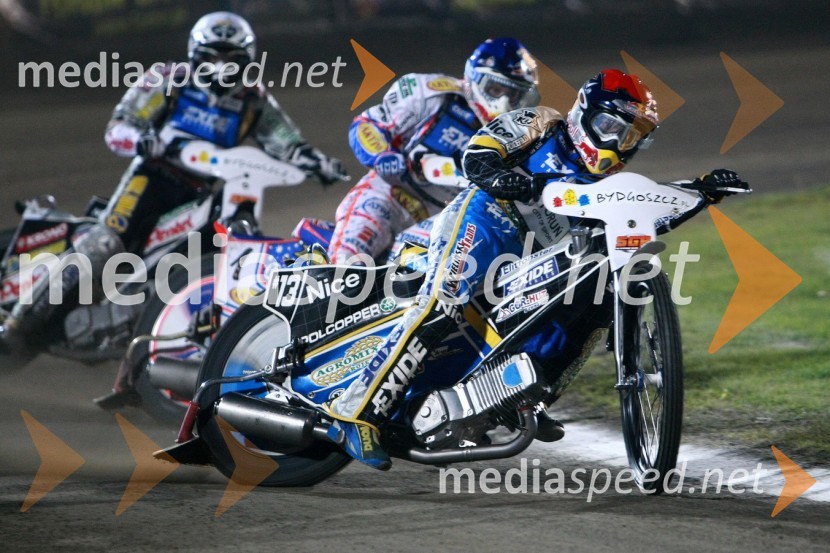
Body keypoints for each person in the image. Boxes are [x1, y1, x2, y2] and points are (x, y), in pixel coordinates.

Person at [326, 69, 749, 469]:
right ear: (584, 113)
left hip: (532, 253)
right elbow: (478, 155)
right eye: (610, 127)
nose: (617, 143)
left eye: (631, 136)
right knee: (442, 302)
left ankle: (526, 397)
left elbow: (645, 216)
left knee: (591, 303)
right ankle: (356, 411)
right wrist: (510, 181)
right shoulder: (542, 122)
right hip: (486, 218)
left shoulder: (606, 185)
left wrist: (702, 191)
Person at [0, 11, 346, 357]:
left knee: (207, 255)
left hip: (198, 195)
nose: (222, 67)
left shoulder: (254, 99)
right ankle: (18, 323)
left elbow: (287, 142)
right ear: (197, 55)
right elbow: (119, 126)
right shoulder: (168, 80)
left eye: (231, 59)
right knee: (106, 241)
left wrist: (320, 163)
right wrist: (141, 139)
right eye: (213, 57)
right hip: (152, 178)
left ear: (246, 61)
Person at [326, 37, 540, 264]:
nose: (504, 102)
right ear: (475, 78)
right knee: (347, 262)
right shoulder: (429, 93)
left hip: (443, 219)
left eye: (513, 95)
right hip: (389, 194)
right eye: (497, 89)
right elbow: (367, 125)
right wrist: (382, 155)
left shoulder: (520, 137)